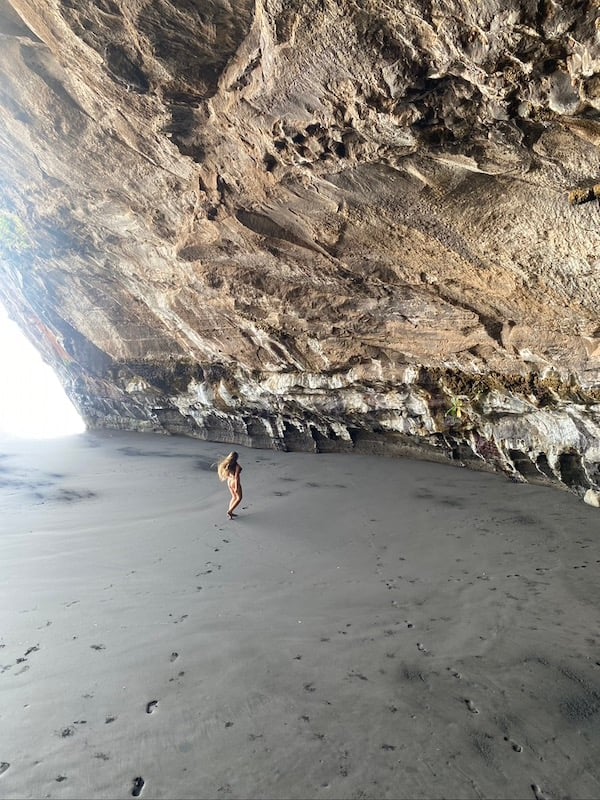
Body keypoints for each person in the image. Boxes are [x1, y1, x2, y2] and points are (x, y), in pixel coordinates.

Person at [217, 451, 243, 519]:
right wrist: (237, 487)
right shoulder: (237, 466)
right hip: (234, 482)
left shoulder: (227, 464)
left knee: (233, 497)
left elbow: (227, 472)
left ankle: (230, 512)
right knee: (239, 498)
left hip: (229, 481)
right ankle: (230, 511)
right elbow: (237, 477)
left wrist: (229, 478)